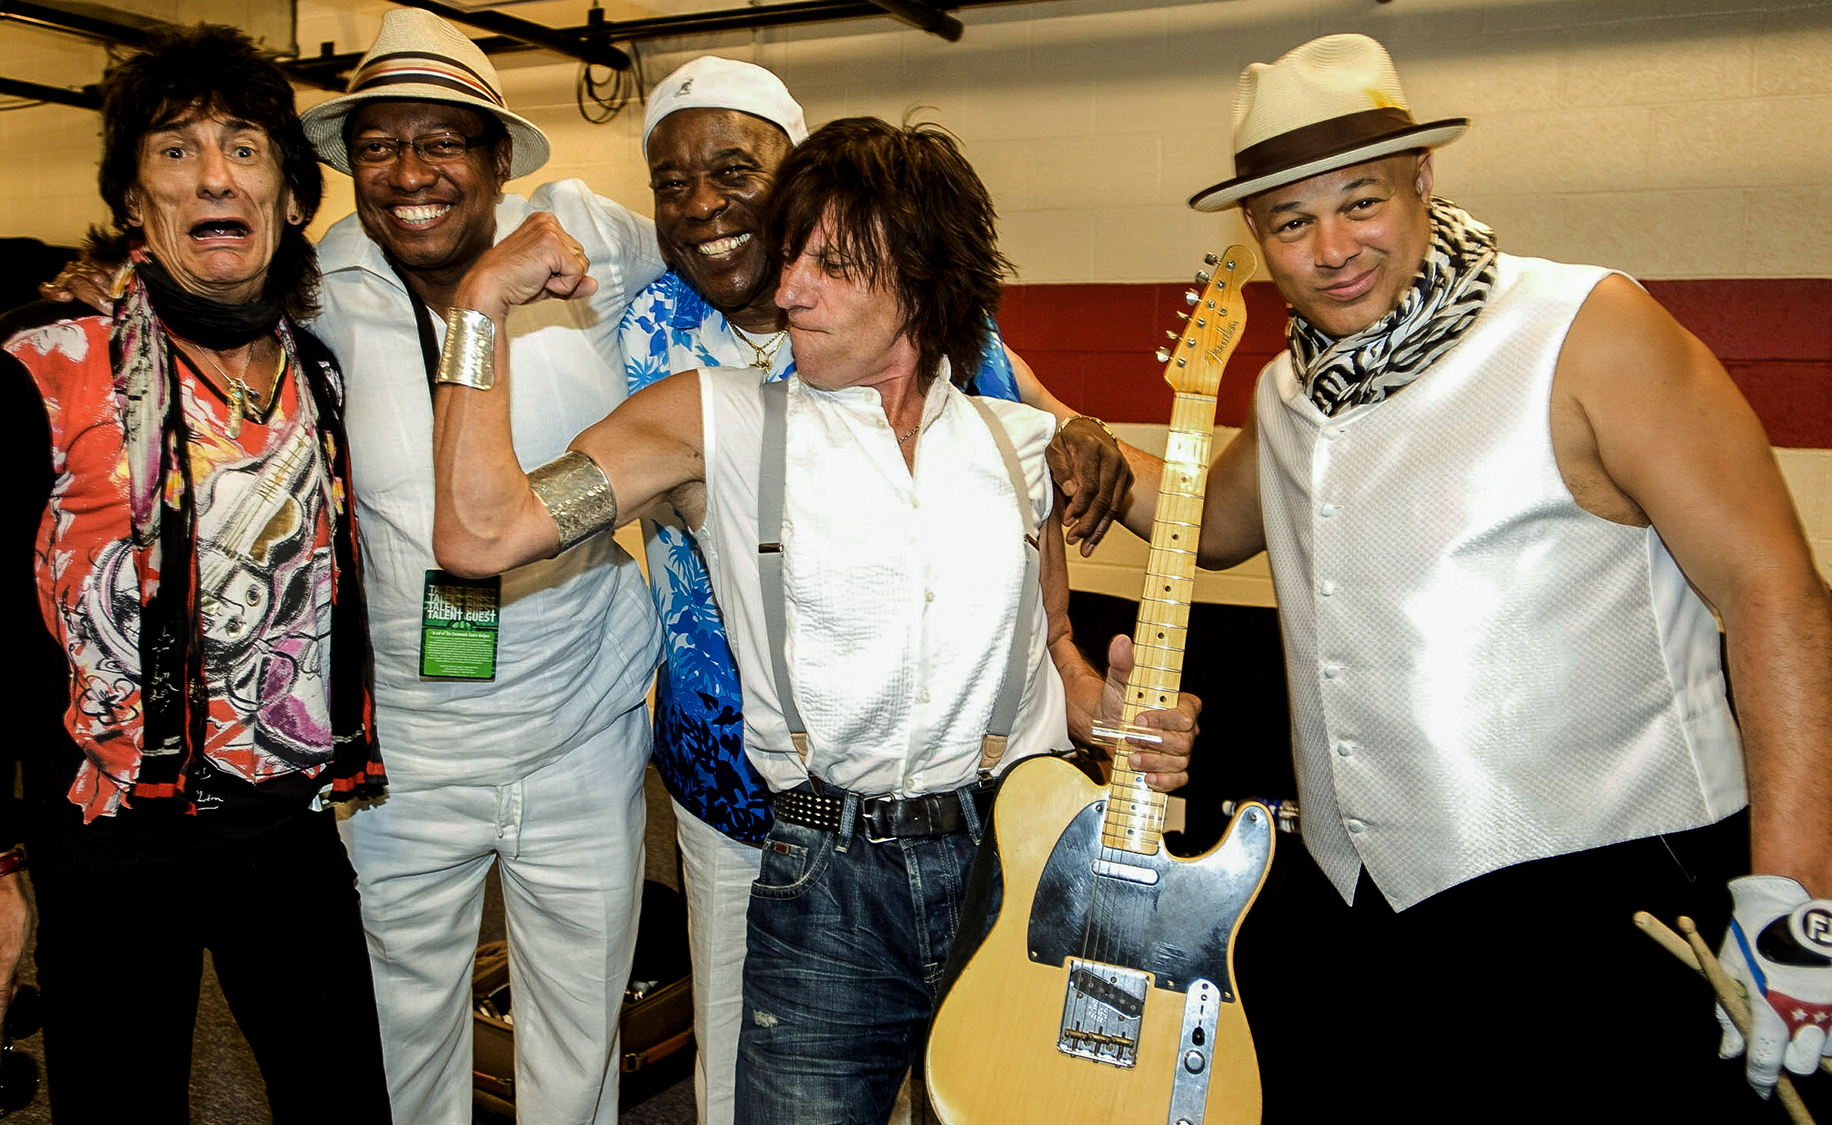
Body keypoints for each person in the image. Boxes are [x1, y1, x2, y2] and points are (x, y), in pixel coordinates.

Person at [1155, 33, 1832, 1121]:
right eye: (1289, 222)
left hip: (1604, 900)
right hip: (1375, 916)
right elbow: (1204, 526)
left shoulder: (1584, 329)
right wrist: (1038, 429)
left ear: (1422, 178)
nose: (1330, 248)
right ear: (1255, 237)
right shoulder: (1287, 391)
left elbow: (1770, 588)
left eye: (1360, 202)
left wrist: (1795, 896)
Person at [428, 116, 1198, 1125]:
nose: (788, 288)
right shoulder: (718, 422)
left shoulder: (1020, 446)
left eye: (830, 265)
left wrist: (1109, 713)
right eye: (791, 256)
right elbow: (480, 538)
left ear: (918, 275)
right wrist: (479, 305)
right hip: (824, 884)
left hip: (1009, 867)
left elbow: (1076, 627)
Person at [617, 56, 1139, 1125]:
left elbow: (1030, 432)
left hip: (936, 779)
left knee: (958, 1070)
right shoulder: (639, 327)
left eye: (733, 170)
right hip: (728, 776)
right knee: (742, 1078)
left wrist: (1080, 430)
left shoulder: (936, 332)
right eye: (671, 183)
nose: (705, 205)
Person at [0, 25, 389, 1123]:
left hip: (286, 828)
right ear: (135, 202)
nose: (215, 174)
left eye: (244, 147)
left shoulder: (315, 369)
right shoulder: (38, 356)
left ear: (287, 195)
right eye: (175, 152)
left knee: (342, 1101)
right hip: (109, 846)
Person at [296, 12, 665, 1124]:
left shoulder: (591, 239)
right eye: (377, 146)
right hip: (401, 753)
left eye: (443, 142)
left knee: (575, 1036)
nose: (409, 174)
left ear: (500, 160)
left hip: (579, 733)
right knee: (404, 1041)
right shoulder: (310, 292)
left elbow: (739, 254)